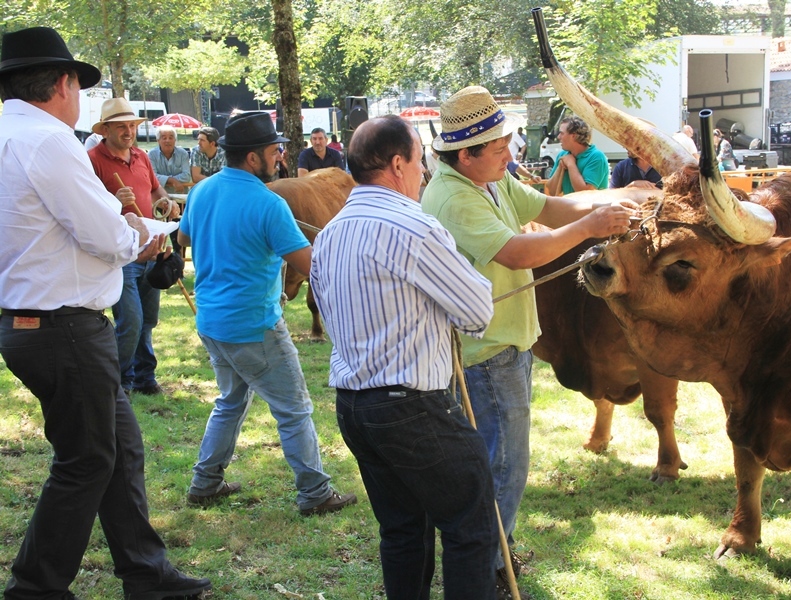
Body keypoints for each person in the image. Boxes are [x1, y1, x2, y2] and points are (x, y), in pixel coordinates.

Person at [0, 26, 211, 599]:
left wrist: (127, 231)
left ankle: (148, 573)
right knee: (87, 460)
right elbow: (105, 233)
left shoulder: (11, 133)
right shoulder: (48, 140)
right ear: (64, 83)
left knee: (117, 451)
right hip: (62, 325)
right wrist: (138, 235)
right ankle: (35, 587)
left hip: (40, 321)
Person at [420, 86, 636, 599]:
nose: (510, 153)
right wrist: (592, 224)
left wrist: (615, 205)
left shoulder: (489, 181)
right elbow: (518, 252)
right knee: (503, 470)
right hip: (486, 355)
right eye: (499, 148)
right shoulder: (453, 197)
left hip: (503, 350)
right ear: (465, 154)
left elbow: (546, 207)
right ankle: (488, 568)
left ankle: (493, 554)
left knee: (500, 467)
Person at [310, 114, 499, 599]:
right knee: (469, 522)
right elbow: (478, 309)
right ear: (397, 164)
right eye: (420, 161)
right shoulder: (412, 224)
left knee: (402, 528)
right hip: (408, 405)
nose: (423, 173)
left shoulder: (331, 233)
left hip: (354, 404)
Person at [177, 111, 357, 516]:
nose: (280, 156)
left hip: (211, 321)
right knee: (294, 409)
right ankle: (314, 493)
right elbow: (312, 265)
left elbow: (184, 236)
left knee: (231, 401)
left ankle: (205, 483)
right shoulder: (268, 203)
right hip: (253, 325)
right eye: (274, 150)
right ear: (253, 158)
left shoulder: (202, 192)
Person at [88, 97, 180, 397]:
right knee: (131, 321)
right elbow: (86, 207)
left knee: (148, 320)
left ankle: (143, 377)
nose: (128, 131)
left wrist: (164, 201)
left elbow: (155, 189)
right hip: (122, 254)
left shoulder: (141, 156)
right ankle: (117, 382)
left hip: (152, 248)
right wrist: (114, 199)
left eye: (132, 125)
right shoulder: (92, 160)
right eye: (121, 127)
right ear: (105, 130)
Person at [543, 115, 609, 196]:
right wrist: (560, 167)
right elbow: (552, 191)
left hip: (594, 209)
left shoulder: (597, 157)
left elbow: (585, 195)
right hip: (569, 208)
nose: (558, 137)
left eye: (561, 133)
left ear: (574, 136)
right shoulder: (562, 155)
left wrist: (571, 164)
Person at [148, 125, 191, 193]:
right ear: (158, 140)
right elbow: (152, 176)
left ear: (175, 140)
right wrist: (172, 180)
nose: (167, 141)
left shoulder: (183, 154)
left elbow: (187, 176)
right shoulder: (152, 155)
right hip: (160, 196)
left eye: (171, 138)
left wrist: (164, 179)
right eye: (164, 138)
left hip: (181, 195)